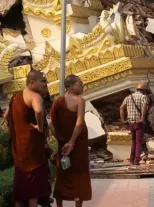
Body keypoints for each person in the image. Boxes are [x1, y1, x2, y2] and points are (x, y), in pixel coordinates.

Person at [7, 69, 52, 207]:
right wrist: (40, 127)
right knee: (33, 180)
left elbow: (6, 116)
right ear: (32, 82)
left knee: (21, 179)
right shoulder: (35, 96)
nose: (44, 83)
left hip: (19, 143)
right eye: (42, 81)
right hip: (31, 144)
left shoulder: (16, 96)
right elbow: (38, 110)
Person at [50, 75, 91, 207]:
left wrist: (61, 140)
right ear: (70, 86)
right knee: (79, 174)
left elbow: (51, 124)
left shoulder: (57, 102)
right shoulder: (79, 100)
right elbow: (79, 124)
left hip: (63, 145)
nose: (82, 85)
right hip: (77, 144)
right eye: (79, 83)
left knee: (62, 174)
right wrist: (71, 142)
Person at [119, 82, 149, 168]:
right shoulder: (143, 97)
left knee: (133, 142)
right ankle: (136, 161)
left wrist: (123, 120)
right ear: (143, 90)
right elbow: (144, 107)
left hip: (130, 123)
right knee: (139, 142)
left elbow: (121, 108)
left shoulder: (128, 97)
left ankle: (131, 160)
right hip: (138, 123)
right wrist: (142, 119)